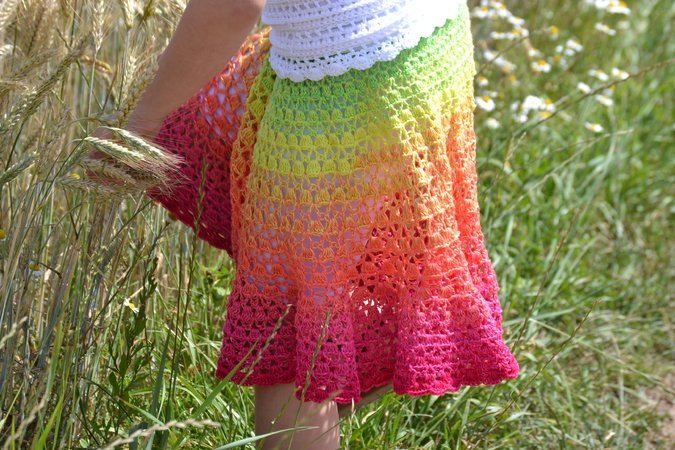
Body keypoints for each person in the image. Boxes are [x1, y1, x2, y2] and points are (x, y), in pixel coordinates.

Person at [87, 1, 520, 449]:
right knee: (330, 299)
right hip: (429, 32)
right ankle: (351, 365)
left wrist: (141, 126)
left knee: (293, 339)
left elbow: (235, 4)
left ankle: (335, 380)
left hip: (353, 78)